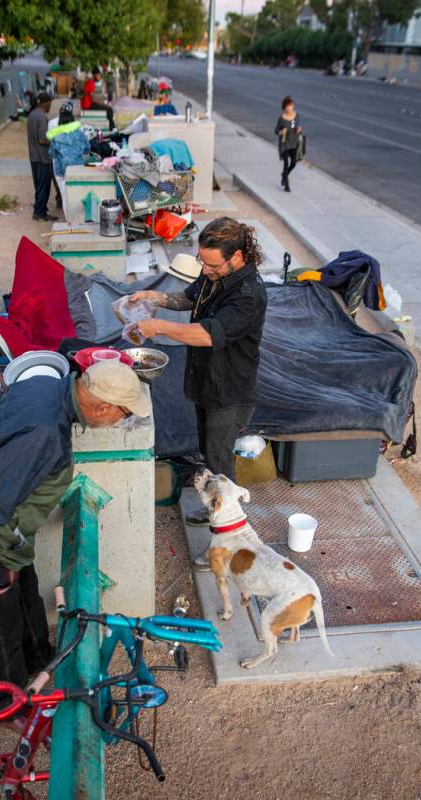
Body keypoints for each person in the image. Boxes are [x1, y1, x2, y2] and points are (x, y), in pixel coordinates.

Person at [0, 361, 150, 713]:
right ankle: (5, 707)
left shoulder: (45, 387)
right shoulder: (44, 433)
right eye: (123, 416)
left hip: (8, 537)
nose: (120, 423)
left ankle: (40, 661)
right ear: (103, 407)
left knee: (26, 603)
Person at [129, 217, 267, 569]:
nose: (205, 269)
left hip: (229, 389)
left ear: (237, 256)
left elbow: (207, 334)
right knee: (209, 451)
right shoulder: (213, 273)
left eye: (212, 264)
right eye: (202, 261)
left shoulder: (249, 295)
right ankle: (214, 513)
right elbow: (187, 298)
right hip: (207, 380)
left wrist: (158, 327)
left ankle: (228, 543)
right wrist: (152, 297)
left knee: (221, 465)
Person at [27, 90, 57, 222]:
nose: (50, 107)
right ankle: (39, 212)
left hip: (33, 156)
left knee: (38, 185)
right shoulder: (42, 117)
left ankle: (41, 211)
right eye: (50, 104)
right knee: (44, 187)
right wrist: (55, 140)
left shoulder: (31, 115)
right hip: (43, 157)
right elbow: (42, 139)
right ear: (46, 104)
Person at [275, 95, 303, 193]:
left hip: (294, 143)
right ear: (284, 107)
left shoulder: (297, 116)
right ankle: (286, 185)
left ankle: (284, 174)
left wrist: (299, 130)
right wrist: (281, 132)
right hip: (284, 144)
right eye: (287, 106)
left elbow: (298, 128)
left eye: (291, 105)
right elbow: (276, 130)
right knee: (286, 163)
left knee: (293, 163)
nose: (289, 108)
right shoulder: (281, 118)